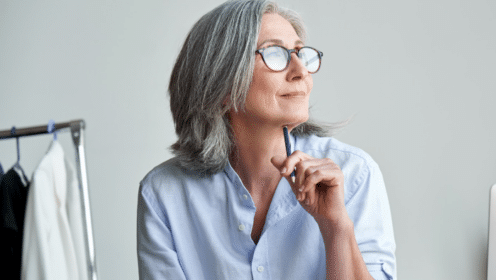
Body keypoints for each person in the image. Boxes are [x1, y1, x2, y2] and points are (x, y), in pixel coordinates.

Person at [136, 1, 396, 279]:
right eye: (275, 54)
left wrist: (336, 227)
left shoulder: (354, 174)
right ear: (221, 82)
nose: (300, 70)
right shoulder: (164, 194)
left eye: (299, 52)